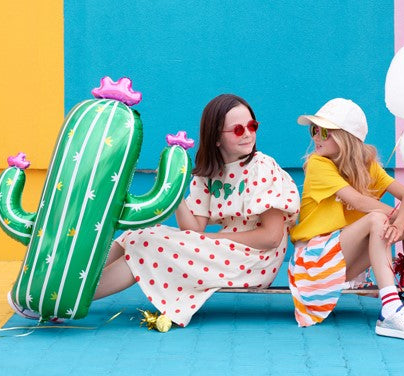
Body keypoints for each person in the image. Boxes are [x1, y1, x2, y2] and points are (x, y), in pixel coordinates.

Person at [92, 93, 300, 326]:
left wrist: (214, 238)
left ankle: (75, 300)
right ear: (216, 138)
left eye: (252, 125)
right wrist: (176, 193)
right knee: (134, 234)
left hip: (255, 260)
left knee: (145, 243)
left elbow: (272, 237)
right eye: (238, 130)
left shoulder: (262, 167)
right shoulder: (209, 174)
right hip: (224, 250)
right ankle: (73, 281)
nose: (249, 133)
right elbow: (193, 228)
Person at [288, 98, 404, 341]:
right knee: (380, 218)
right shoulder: (318, 164)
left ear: (347, 138)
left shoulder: (368, 167)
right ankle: (390, 310)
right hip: (314, 262)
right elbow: (359, 202)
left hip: (343, 260)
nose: (316, 137)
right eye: (314, 130)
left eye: (324, 132)